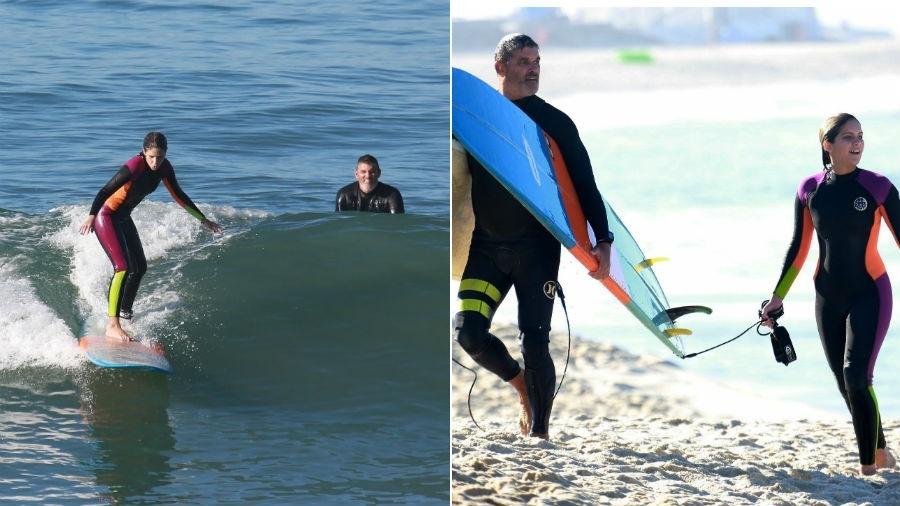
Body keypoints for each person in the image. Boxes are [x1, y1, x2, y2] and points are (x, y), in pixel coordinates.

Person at [453, 33, 613, 439]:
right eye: (524, 61)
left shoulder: (555, 123)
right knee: (468, 333)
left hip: (536, 248)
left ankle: (539, 432)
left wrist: (604, 242)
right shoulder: (474, 119)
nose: (533, 68)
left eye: (537, 60)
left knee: (535, 342)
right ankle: (519, 383)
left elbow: (586, 185)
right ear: (500, 67)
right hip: (486, 246)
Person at [761, 113, 898, 476]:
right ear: (828, 144)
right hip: (827, 293)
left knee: (857, 375)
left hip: (871, 290)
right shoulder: (810, 189)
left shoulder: (878, 186)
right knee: (844, 381)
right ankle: (881, 448)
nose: (857, 143)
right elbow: (798, 247)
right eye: (848, 137)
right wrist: (778, 296)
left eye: (861, 137)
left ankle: (868, 468)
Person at [79, 132, 222, 341]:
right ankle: (113, 324)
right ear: (144, 151)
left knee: (140, 267)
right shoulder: (133, 167)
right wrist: (92, 215)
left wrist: (203, 219)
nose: (155, 162)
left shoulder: (165, 168)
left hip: (124, 217)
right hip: (106, 216)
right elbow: (104, 191)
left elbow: (179, 196)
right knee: (123, 267)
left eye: (160, 157)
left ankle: (125, 314)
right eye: (152, 157)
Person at [335, 154, 404, 213]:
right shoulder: (344, 195)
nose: (368, 176)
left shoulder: (392, 195)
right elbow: (339, 223)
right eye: (363, 172)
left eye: (372, 172)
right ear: (356, 174)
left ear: (379, 173)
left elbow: (398, 223)